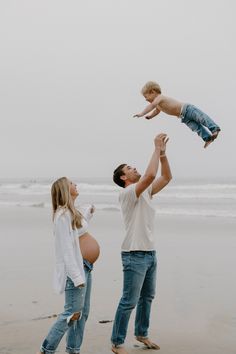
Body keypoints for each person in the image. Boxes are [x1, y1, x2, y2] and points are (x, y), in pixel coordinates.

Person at [111, 133, 172, 354]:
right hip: (134, 254)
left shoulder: (144, 190)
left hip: (149, 253)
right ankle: (117, 343)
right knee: (129, 300)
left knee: (147, 297)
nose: (134, 168)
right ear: (123, 178)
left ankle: (141, 334)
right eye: (129, 168)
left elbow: (165, 177)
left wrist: (163, 154)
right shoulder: (127, 193)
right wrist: (155, 148)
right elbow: (150, 174)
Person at [37, 177, 100, 354]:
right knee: (72, 313)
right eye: (72, 183)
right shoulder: (62, 216)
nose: (76, 184)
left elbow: (79, 230)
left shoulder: (72, 213)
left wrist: (89, 212)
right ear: (65, 189)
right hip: (76, 272)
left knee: (82, 314)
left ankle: (73, 350)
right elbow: (66, 250)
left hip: (86, 267)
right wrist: (77, 277)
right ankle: (46, 350)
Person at [133, 81, 221, 148]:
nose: (146, 99)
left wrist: (142, 113)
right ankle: (207, 138)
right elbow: (156, 111)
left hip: (187, 109)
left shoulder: (160, 98)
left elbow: (152, 106)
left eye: (146, 96)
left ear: (152, 92)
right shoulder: (158, 105)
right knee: (196, 128)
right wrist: (150, 116)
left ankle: (214, 129)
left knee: (201, 118)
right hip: (183, 117)